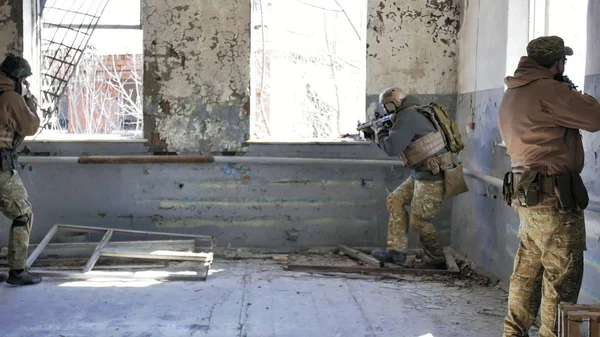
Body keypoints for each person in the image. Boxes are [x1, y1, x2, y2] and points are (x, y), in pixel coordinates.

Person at [499, 36, 600, 337]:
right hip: (555, 202)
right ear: (558, 63)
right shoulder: (551, 92)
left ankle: (513, 332)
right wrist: (569, 90)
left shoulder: (511, 94)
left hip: (528, 200)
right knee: (561, 280)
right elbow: (595, 117)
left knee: (526, 275)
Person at [369, 87, 465, 269]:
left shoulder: (406, 117)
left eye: (387, 106)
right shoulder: (414, 112)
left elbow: (391, 148)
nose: (386, 110)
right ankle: (396, 252)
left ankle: (436, 259)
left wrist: (380, 132)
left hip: (432, 176)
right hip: (423, 173)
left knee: (420, 221)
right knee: (395, 200)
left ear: (395, 103)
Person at [0, 53, 42, 285]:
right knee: (22, 214)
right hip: (1, 167)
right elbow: (30, 126)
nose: (25, 83)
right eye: (24, 79)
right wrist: (29, 101)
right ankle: (17, 271)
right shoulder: (10, 97)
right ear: (17, 77)